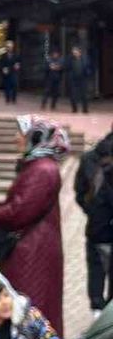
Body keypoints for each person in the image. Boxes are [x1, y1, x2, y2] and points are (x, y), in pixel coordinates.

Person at [0, 115, 68, 337]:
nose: (16, 138)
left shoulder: (42, 170)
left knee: (30, 308)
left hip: (31, 252)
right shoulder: (39, 166)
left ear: (36, 137)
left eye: (21, 133)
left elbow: (21, 210)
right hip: (33, 248)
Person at [75, 128, 113, 320]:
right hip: (100, 226)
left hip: (97, 228)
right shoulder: (91, 158)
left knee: (96, 270)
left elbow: (79, 192)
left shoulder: (89, 157)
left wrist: (93, 212)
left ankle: (97, 312)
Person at [65, 45, 93, 114]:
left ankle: (85, 109)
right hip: (73, 79)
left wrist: (88, 73)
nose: (74, 53)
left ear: (79, 51)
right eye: (73, 51)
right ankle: (74, 109)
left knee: (84, 94)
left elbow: (89, 66)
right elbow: (66, 67)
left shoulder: (85, 58)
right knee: (73, 94)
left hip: (82, 79)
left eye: (75, 51)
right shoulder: (69, 59)